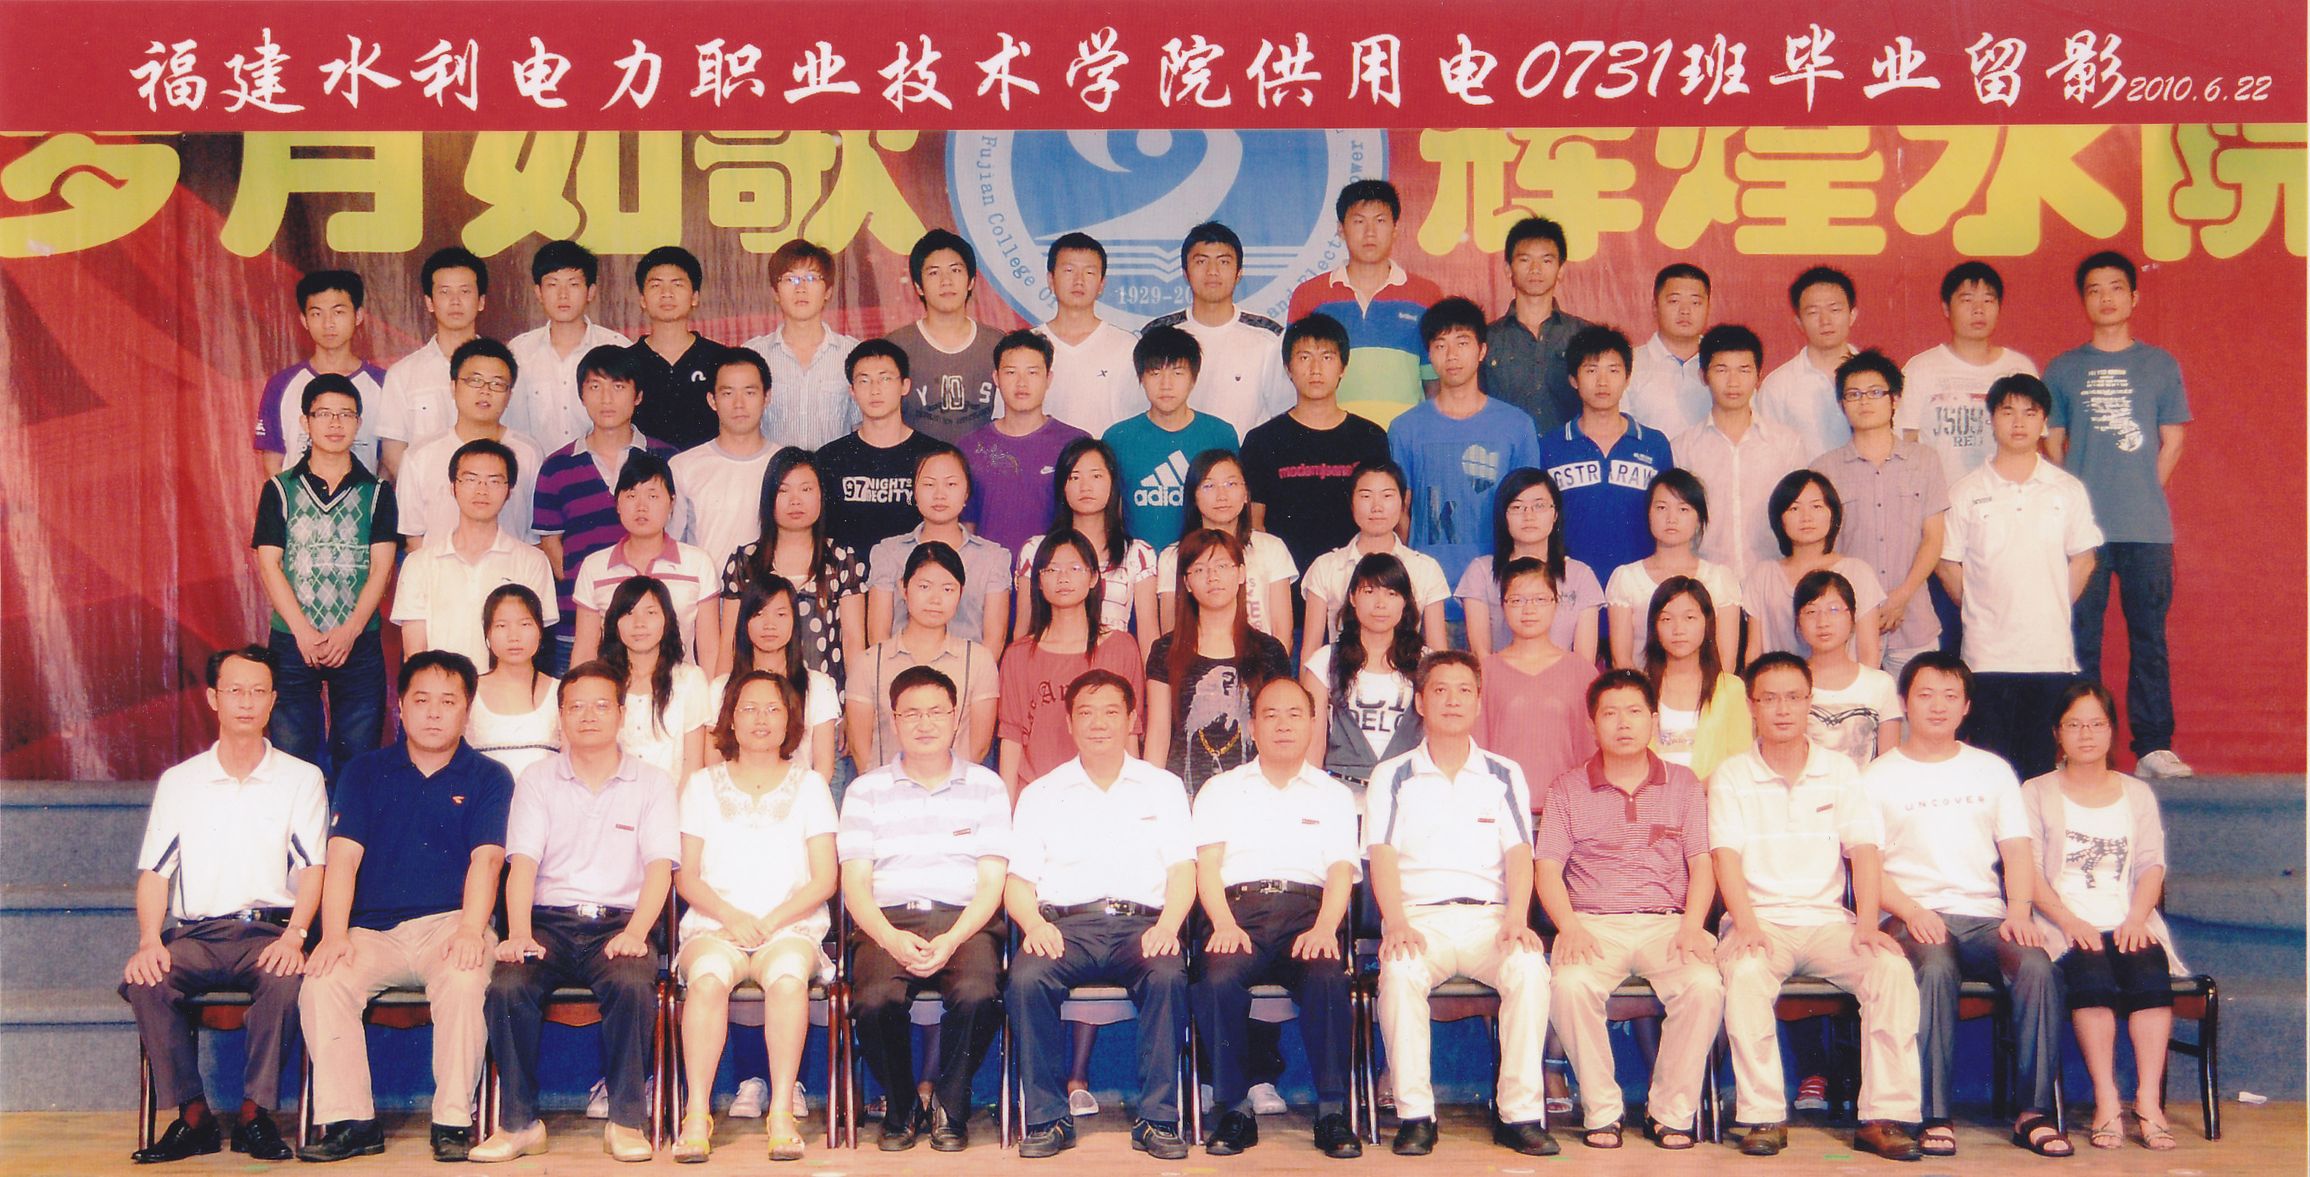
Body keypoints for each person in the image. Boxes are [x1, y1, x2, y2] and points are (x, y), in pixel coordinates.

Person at [1708, 653, 1925, 1161]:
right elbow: (1725, 858)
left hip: (1828, 923)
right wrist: (1746, 925)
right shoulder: (1732, 775)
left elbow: (1864, 851)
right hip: (1760, 921)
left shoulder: (1840, 771)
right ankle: (1763, 1116)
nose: (1782, 709)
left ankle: (1883, 1117)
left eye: (1793, 697)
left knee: (1891, 969)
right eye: (1769, 698)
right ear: (1752, 706)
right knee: (1745, 975)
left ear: (1810, 702)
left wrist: (1867, 924)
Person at [296, 651, 510, 1164]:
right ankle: (352, 1123)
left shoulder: (489, 776)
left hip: (451, 925)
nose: (434, 713)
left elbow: (486, 861)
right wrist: (334, 934)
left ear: (467, 711)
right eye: (421, 700)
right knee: (323, 982)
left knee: (465, 979)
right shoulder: (364, 772)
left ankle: (452, 1122)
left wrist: (470, 929)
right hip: (373, 932)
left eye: (448, 702)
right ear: (400, 706)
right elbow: (342, 860)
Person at [122, 646, 326, 1164]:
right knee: (147, 979)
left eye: (258, 692)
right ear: (214, 698)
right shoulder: (180, 781)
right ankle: (194, 1118)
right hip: (199, 935)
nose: (246, 702)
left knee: (287, 978)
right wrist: (148, 941)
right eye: (235, 691)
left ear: (273, 700)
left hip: (269, 932)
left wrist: (296, 935)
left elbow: (313, 870)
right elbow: (155, 873)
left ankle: (255, 1117)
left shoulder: (301, 778)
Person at [470, 662, 678, 1163]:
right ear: (560, 716)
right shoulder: (537, 780)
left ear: (621, 714)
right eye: (576, 706)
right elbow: (522, 864)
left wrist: (636, 932)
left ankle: (625, 1122)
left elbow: (660, 870)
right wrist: (519, 932)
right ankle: (519, 1124)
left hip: (619, 924)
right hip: (550, 924)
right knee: (508, 985)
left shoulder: (652, 782)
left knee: (632, 983)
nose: (588, 716)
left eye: (601, 705)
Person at [1864, 652, 2068, 1159]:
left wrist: (2018, 911)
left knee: (2037, 966)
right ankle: (1933, 1114)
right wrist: (1912, 911)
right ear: (1904, 703)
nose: (1938, 706)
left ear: (1966, 706)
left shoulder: (1991, 771)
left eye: (1950, 695)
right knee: (1934, 966)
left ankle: (2034, 1113)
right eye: (1925, 694)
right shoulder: (1877, 776)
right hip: (1910, 914)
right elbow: (1867, 870)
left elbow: (2016, 850)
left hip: (1985, 916)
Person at [1366, 651, 1555, 1157]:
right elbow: (1381, 854)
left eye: (1464, 690)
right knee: (1399, 974)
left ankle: (1519, 1115)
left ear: (1478, 701)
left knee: (1529, 969)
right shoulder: (1393, 774)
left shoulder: (1503, 772)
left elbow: (1520, 852)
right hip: (1418, 919)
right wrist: (1395, 922)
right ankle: (1416, 1116)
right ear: (1420, 702)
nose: (1452, 700)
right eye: (1440, 690)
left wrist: (1517, 917)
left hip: (1489, 919)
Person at [1006, 670, 1198, 1160]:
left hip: (1143, 926)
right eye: (1086, 713)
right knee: (1026, 978)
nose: (1098, 723)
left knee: (1168, 974)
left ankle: (1158, 1120)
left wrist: (1168, 926)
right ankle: (1048, 1119)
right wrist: (1034, 925)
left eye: (1112, 712)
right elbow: (1018, 883)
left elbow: (1183, 871)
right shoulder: (1042, 793)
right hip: (1065, 928)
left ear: (1133, 719)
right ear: (1069, 723)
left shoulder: (1163, 787)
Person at [1534, 669, 1723, 1152]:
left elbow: (1702, 863)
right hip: (1593, 924)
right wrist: (1569, 927)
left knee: (1704, 986)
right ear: (1592, 723)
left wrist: (1693, 926)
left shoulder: (1683, 784)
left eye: (1635, 712)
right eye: (1610, 713)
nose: (1623, 723)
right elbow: (1547, 868)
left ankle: (1670, 1113)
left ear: (1653, 721)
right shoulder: (1568, 788)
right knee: (1570, 986)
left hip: (1668, 923)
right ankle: (1602, 1110)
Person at [840, 666, 1012, 1153]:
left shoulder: (987, 786)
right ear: (893, 720)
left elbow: (992, 884)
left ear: (956, 718)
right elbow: (855, 886)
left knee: (979, 993)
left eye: (936, 712)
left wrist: (953, 938)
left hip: (965, 921)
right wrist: (890, 938)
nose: (924, 723)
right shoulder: (865, 791)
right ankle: (902, 1107)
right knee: (873, 1001)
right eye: (911, 713)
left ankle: (950, 1105)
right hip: (888, 921)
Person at [669, 669, 839, 1163]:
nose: (761, 719)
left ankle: (781, 1112)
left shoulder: (811, 786)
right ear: (729, 719)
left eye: (773, 709)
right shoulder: (701, 786)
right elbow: (687, 877)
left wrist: (773, 919)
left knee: (787, 980)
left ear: (790, 720)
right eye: (748, 708)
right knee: (706, 981)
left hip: (789, 927)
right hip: (716, 926)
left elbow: (825, 879)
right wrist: (730, 915)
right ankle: (696, 1114)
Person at [1189, 677, 1363, 1158]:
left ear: (1313, 723)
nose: (1283, 725)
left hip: (1308, 915)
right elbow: (1207, 868)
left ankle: (1332, 1113)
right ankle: (1233, 1109)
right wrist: (1223, 923)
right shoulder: (1221, 789)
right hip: (1236, 914)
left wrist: (1325, 928)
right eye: (1270, 715)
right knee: (1216, 979)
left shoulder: (1332, 794)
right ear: (1252, 726)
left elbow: (1340, 872)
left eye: (1294, 715)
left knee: (1327, 976)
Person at [2046, 251, 2194, 779]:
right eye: (2094, 289)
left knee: (2149, 638)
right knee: (2079, 640)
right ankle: (2078, 746)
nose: (2105, 298)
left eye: (2115, 288)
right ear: (2083, 300)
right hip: (2082, 534)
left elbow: (2173, 440)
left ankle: (2153, 747)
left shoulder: (2159, 365)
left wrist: (2139, 490)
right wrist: (2080, 502)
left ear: (2134, 296)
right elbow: (2053, 443)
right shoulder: (2063, 368)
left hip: (2146, 529)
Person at [2021, 681, 2186, 1151]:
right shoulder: (2036, 791)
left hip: (2128, 918)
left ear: (2112, 730)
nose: (2086, 734)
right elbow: (2029, 871)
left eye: (2096, 724)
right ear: (2058, 733)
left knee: (2149, 972)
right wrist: (2069, 921)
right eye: (2074, 725)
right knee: (2091, 975)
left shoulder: (2136, 793)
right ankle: (2107, 1100)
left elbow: (2152, 864)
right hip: (2063, 923)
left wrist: (2137, 918)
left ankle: (2148, 1103)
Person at [1938, 374, 2103, 778]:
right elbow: (1947, 563)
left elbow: (2084, 559)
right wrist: (1982, 606)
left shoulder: (2066, 490)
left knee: (2039, 772)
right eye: (2007, 411)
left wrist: (2050, 604)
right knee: (1990, 769)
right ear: (1991, 418)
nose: (2018, 422)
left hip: (2049, 654)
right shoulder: (1965, 491)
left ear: (2044, 422)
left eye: (2030, 413)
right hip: (1986, 656)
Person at [251, 372, 397, 780]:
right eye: (324, 414)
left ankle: (345, 825)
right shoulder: (279, 489)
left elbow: (382, 568)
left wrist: (350, 631)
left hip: (358, 640)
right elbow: (269, 564)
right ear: (305, 422)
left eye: (346, 414)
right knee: (292, 760)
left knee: (358, 761)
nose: (335, 423)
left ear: (359, 423)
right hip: (293, 640)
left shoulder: (378, 493)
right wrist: (301, 631)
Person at [534, 345, 679, 673]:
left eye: (618, 386)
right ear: (581, 395)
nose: (606, 398)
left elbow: (677, 533)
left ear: (638, 396)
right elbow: (552, 545)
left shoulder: (667, 458)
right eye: (595, 386)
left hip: (651, 631)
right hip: (577, 628)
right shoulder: (556, 467)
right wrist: (590, 592)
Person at [1389, 297, 1544, 594]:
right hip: (1429, 592)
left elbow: (1529, 511)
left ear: (1482, 350)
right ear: (1429, 355)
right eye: (1440, 345)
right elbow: (1401, 511)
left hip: (1500, 589)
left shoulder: (1517, 426)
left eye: (1462, 343)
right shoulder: (1405, 428)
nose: (1451, 355)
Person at [1812, 349, 1948, 677]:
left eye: (1875, 392)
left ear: (1895, 399)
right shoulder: (1824, 469)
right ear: (1842, 404)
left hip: (1914, 618)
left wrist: (1901, 596)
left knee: (1919, 704)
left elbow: (1933, 538)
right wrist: (1862, 606)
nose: (1864, 402)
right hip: (1848, 624)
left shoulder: (1925, 461)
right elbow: (1821, 550)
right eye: (1853, 394)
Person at [1239, 313, 1393, 578]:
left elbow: (1382, 519)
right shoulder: (1262, 440)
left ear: (1343, 367)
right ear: (1288, 368)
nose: (1316, 369)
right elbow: (1255, 525)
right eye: (1304, 357)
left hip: (1356, 583)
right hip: (1285, 584)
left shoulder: (1370, 437)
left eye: (1327, 357)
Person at [1145, 530, 1296, 796]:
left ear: (1241, 574)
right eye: (1199, 569)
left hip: (1252, 795)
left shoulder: (1270, 651)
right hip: (1182, 795)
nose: (1212, 577)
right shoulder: (1165, 650)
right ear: (1187, 583)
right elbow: (1158, 734)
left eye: (1222, 566)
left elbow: (1278, 733)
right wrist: (1152, 798)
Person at [997, 530, 1146, 794]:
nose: (1063, 578)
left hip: (1105, 794)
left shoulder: (1121, 648)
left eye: (1075, 568)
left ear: (1094, 577)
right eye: (1051, 569)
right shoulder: (1018, 655)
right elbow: (1011, 740)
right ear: (1038, 581)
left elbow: (1130, 733)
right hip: (1038, 795)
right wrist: (1007, 811)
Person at [391, 439, 559, 670]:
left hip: (507, 689)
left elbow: (536, 647)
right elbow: (415, 653)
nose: (482, 490)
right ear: (453, 487)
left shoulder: (532, 561)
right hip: (442, 689)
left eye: (494, 481)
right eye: (471, 479)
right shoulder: (419, 564)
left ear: (509, 491)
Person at [1286, 179, 1443, 427]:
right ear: (1341, 229)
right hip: (1331, 436)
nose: (1370, 232)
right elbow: (1296, 375)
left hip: (1401, 438)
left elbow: (1434, 382)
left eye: (1380, 221)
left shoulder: (1426, 295)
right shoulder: (1309, 295)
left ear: (1395, 228)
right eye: (1359, 221)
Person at [718, 447, 868, 691]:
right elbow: (730, 642)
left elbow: (853, 641)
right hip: (758, 701)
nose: (795, 500)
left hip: (825, 700)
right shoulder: (745, 562)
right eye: (783, 490)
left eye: (806, 489)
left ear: (821, 495)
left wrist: (857, 703)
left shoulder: (841, 560)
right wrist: (721, 701)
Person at [1539, 325, 1675, 585]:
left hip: (1639, 586)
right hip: (1570, 585)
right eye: (1591, 370)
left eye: (1613, 370)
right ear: (1573, 379)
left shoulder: (1654, 444)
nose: (1602, 382)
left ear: (1627, 377)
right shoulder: (1551, 446)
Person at [846, 542, 1000, 770]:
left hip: (955, 789)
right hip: (885, 788)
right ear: (904, 588)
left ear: (960, 593)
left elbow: (978, 748)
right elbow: (860, 750)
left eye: (948, 589)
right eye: (924, 586)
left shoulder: (978, 661)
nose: (935, 599)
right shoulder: (869, 662)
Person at [1672, 324, 1809, 580]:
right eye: (1721, 370)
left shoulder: (1787, 444)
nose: (1733, 382)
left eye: (1744, 370)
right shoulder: (1683, 448)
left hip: (1774, 581)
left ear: (1759, 375)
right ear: (1703, 376)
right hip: (1706, 585)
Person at [1143, 221, 1295, 437]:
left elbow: (1284, 414)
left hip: (1242, 457)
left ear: (1239, 272)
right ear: (1185, 273)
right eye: (1201, 261)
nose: (1212, 271)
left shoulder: (1269, 337)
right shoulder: (1156, 334)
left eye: (1223, 262)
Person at [1901, 261, 2041, 493]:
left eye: (1988, 300)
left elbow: (2035, 442)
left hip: (2007, 501)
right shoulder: (1921, 368)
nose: (1979, 309)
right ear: (1946, 308)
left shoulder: (2019, 368)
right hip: (1941, 502)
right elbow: (1906, 440)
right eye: (1967, 300)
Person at [1298, 460, 1449, 665]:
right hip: (1343, 677)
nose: (1377, 507)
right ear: (1351, 503)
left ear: (1403, 502)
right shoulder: (1326, 567)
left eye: (1387, 496)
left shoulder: (1425, 568)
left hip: (1406, 677)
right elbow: (1311, 650)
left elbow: (1438, 653)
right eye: (1366, 496)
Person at [571, 452, 716, 664]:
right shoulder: (594, 566)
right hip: (614, 682)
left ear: (671, 503)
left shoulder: (698, 563)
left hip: (680, 681)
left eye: (652, 496)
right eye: (631, 496)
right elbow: (585, 650)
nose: (641, 506)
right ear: (618, 504)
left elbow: (710, 650)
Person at [396, 338, 545, 544]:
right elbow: (413, 535)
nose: (485, 391)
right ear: (453, 386)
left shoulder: (528, 453)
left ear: (509, 395)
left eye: (497, 384)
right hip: (439, 565)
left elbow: (534, 536)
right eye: (475, 381)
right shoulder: (420, 456)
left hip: (512, 564)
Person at [1103, 325, 1241, 547]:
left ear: (1193, 379)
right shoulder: (1118, 438)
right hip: (1140, 564)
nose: (1166, 385)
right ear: (1141, 378)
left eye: (1177, 373)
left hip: (1204, 562)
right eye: (1155, 373)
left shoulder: (1220, 435)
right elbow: (1111, 516)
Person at [868, 443, 1013, 650]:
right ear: (914, 492)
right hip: (901, 669)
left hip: (969, 668)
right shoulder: (888, 553)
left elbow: (994, 640)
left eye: (951, 484)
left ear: (966, 493)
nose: (939, 494)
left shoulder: (993, 558)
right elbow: (878, 636)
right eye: (929, 484)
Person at [1013, 437, 1160, 641]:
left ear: (1112, 483)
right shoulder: (1035, 549)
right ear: (1063, 487)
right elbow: (1023, 630)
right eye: (1074, 477)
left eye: (1096, 476)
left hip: (1114, 658)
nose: (1085, 487)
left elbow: (1149, 635)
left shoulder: (1137, 553)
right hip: (1052, 658)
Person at [1477, 557, 1598, 801]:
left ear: (1556, 603)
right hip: (1502, 809)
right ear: (1502, 605)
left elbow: (1592, 753)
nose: (1529, 610)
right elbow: (1476, 751)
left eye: (1540, 599)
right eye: (1517, 600)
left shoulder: (1581, 671)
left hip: (1567, 808)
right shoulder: (1484, 672)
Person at [1301, 553, 1425, 791]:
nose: (1380, 604)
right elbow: (1312, 748)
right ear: (1352, 598)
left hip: (1408, 792)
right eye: (1369, 591)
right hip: (1342, 791)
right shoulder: (1324, 661)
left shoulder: (1426, 661)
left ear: (1405, 602)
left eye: (1392, 593)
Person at [962, 329, 1091, 554]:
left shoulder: (1076, 444)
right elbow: (966, 526)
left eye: (1032, 372)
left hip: (1055, 572)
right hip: (989, 574)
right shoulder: (970, 447)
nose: (1021, 383)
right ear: (996, 378)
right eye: (1011, 372)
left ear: (1048, 379)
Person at [1742, 469, 1886, 665]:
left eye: (1816, 506)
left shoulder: (1858, 572)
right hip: (1779, 683)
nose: (1806, 517)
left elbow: (1869, 652)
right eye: (1794, 508)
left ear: (1833, 514)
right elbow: (1754, 651)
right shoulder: (1762, 576)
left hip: (1844, 683)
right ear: (1779, 519)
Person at [1458, 467, 1603, 660]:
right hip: (1497, 677)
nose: (1529, 516)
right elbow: (1480, 654)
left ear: (1555, 514)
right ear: (1503, 516)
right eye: (1517, 507)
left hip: (1564, 678)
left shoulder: (1580, 575)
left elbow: (1584, 660)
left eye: (1539, 505)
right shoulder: (1481, 572)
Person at [817, 338, 946, 554]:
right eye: (864, 381)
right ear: (852, 391)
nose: (875, 390)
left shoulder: (934, 456)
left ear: (905, 385)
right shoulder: (829, 458)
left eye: (885, 379)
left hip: (916, 573)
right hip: (848, 575)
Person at [1603, 469, 1740, 670]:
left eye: (1683, 509)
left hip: (1707, 688)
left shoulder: (1720, 578)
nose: (1671, 518)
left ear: (1699, 519)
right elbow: (1621, 660)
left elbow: (1726, 662)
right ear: (1648, 514)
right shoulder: (1626, 578)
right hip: (1642, 687)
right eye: (1661, 508)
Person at [253, 270, 386, 475]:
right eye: (316, 314)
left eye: (338, 312)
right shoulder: (280, 385)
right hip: (297, 496)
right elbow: (273, 461)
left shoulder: (384, 384)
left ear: (358, 316)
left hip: (364, 496)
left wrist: (371, 496)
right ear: (304, 320)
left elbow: (388, 461)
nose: (328, 323)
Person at [1155, 449, 1296, 643]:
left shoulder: (1272, 548)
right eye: (1209, 486)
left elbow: (1283, 634)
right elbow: (1171, 636)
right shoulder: (1173, 556)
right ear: (1194, 496)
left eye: (1231, 484)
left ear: (1246, 494)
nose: (1222, 495)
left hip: (1262, 659)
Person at [505, 240, 631, 454]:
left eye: (573, 284)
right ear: (538, 292)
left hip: (600, 469)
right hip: (535, 471)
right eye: (552, 285)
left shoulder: (618, 347)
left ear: (590, 291)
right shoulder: (519, 352)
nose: (563, 295)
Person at [710, 576, 841, 781]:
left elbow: (824, 766)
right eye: (759, 613)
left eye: (780, 614)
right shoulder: (720, 689)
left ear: (794, 620)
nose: (769, 624)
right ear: (745, 621)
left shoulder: (818, 686)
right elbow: (713, 764)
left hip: (798, 796)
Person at [377, 246, 489, 477]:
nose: (455, 301)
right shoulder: (402, 374)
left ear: (481, 301)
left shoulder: (501, 371)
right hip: (424, 496)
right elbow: (393, 452)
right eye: (445, 292)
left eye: (465, 291)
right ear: (429, 302)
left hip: (488, 494)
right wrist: (426, 491)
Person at [745, 238, 865, 452]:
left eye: (811, 278)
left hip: (833, 471)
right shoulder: (753, 355)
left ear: (828, 291)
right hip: (771, 472)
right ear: (775, 292)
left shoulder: (854, 354)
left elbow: (862, 426)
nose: (800, 288)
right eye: (790, 279)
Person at [670, 350, 776, 585]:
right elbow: (672, 545)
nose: (739, 404)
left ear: (766, 397)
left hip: (770, 600)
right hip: (704, 598)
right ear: (712, 400)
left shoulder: (785, 464)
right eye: (728, 393)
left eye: (749, 392)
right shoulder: (684, 466)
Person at [1481, 215, 1593, 436]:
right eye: (1525, 260)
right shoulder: (1486, 338)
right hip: (1507, 452)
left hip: (1569, 453)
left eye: (1546, 260)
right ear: (1508, 269)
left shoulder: (1585, 336)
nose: (1535, 269)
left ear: (1561, 270)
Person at [888, 228, 1002, 444]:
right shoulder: (895, 347)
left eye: (955, 270)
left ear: (971, 281)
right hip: (918, 464)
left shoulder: (997, 344)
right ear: (918, 287)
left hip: (983, 463)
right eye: (934, 273)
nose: (946, 281)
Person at [600, 576, 712, 787]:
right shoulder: (601, 682)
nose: (639, 623)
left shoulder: (690, 680)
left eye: (650, 613)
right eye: (629, 613)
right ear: (615, 622)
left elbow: (693, 763)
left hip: (672, 800)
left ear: (666, 620)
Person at [1032, 232, 1143, 436]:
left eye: (1089, 272)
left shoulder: (1126, 346)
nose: (1079, 280)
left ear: (1101, 284)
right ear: (1051, 279)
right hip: (1044, 456)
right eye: (1068, 270)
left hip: (1107, 455)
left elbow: (1140, 419)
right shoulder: (1029, 347)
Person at [1641, 577, 1752, 779]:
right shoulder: (1639, 690)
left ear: (1707, 623)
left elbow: (1740, 761)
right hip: (1652, 797)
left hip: (1714, 795)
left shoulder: (1731, 689)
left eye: (1689, 618)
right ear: (1654, 627)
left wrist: (1696, 792)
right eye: (1666, 619)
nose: (1678, 629)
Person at [626, 245, 729, 450]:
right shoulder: (626, 362)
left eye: (677, 284)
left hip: (707, 468)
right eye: (656, 285)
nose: (666, 294)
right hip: (644, 468)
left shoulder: (721, 359)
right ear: (642, 299)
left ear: (695, 297)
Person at [1800, 571, 1905, 765]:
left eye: (1833, 610)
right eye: (1811, 612)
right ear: (1798, 623)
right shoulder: (1789, 684)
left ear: (1852, 619)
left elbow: (1889, 765)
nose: (1823, 622)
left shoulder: (1880, 684)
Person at [1758, 266, 1861, 460]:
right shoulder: (1778, 385)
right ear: (1799, 322)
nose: (1825, 320)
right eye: (1813, 312)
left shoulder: (1877, 379)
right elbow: (1769, 455)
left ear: (1852, 315)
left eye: (1835, 310)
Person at [467, 585, 561, 779]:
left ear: (540, 630)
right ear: (487, 633)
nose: (514, 636)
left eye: (525, 624)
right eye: (501, 626)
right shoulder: (468, 691)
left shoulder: (560, 692)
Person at [1624, 264, 1713, 438]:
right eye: (1674, 301)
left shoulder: (1725, 366)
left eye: (1695, 302)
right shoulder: (1629, 365)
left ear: (1708, 308)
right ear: (1655, 306)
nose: (1685, 311)